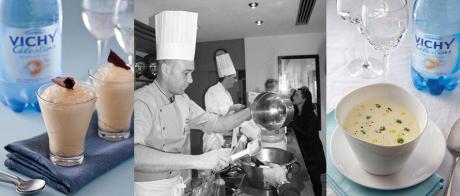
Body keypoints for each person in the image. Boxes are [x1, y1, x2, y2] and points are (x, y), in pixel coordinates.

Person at [134, 11, 258, 196]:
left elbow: (219, 123)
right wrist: (198, 161)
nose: (191, 80)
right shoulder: (142, 101)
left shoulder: (183, 100)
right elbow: (134, 155)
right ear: (166, 69)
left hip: (176, 184)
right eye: (186, 73)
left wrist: (254, 110)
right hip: (147, 190)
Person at [202, 52, 245, 152]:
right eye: (234, 78)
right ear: (227, 77)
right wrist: (232, 108)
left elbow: (230, 116)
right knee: (213, 165)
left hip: (226, 135)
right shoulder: (212, 91)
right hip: (214, 137)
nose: (236, 81)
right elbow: (212, 111)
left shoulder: (228, 94)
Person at [290, 86, 326, 196]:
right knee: (307, 181)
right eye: (294, 94)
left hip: (313, 154)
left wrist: (294, 126)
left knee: (316, 182)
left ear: (304, 99)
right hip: (305, 153)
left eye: (297, 95)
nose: (294, 97)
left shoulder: (311, 116)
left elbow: (309, 136)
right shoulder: (296, 113)